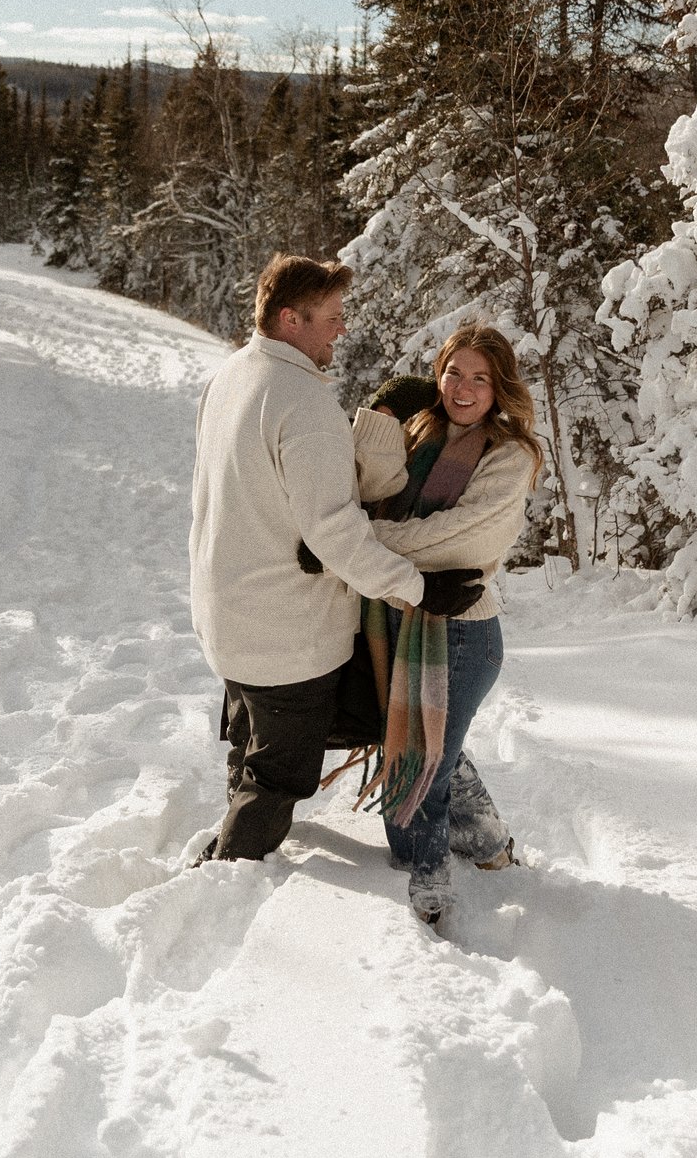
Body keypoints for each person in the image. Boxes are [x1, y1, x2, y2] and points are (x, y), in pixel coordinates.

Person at [189, 255, 484, 863]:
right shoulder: (303, 402)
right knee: (279, 774)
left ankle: (231, 842)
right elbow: (335, 531)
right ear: (290, 318)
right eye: (330, 317)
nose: (341, 329)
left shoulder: (231, 376)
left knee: (252, 742)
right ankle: (227, 873)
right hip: (287, 630)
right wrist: (418, 589)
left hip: (230, 610)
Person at [361, 325, 541, 924]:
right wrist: (384, 409)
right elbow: (359, 484)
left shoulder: (509, 456)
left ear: (500, 387)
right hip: (397, 621)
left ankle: (425, 887)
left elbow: (456, 541)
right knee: (432, 745)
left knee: (417, 761)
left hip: (460, 634)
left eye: (479, 377)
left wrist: (365, 543)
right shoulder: (420, 433)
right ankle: (488, 844)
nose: (463, 388)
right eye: (452, 373)